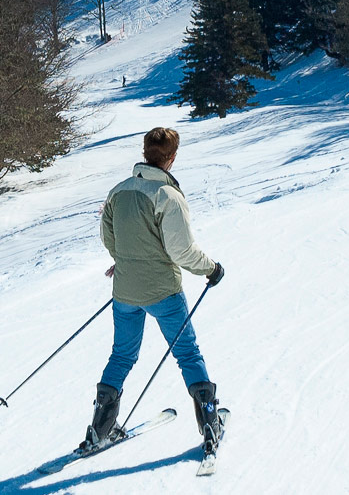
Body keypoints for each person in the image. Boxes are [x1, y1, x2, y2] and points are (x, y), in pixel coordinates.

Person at [83, 126, 227, 457]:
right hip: (163, 291)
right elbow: (181, 251)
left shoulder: (119, 191)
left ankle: (98, 431)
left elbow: (108, 236)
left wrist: (123, 260)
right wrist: (211, 269)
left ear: (145, 153)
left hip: (125, 291)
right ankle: (209, 425)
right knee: (187, 354)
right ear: (172, 158)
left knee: (121, 355)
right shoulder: (168, 197)